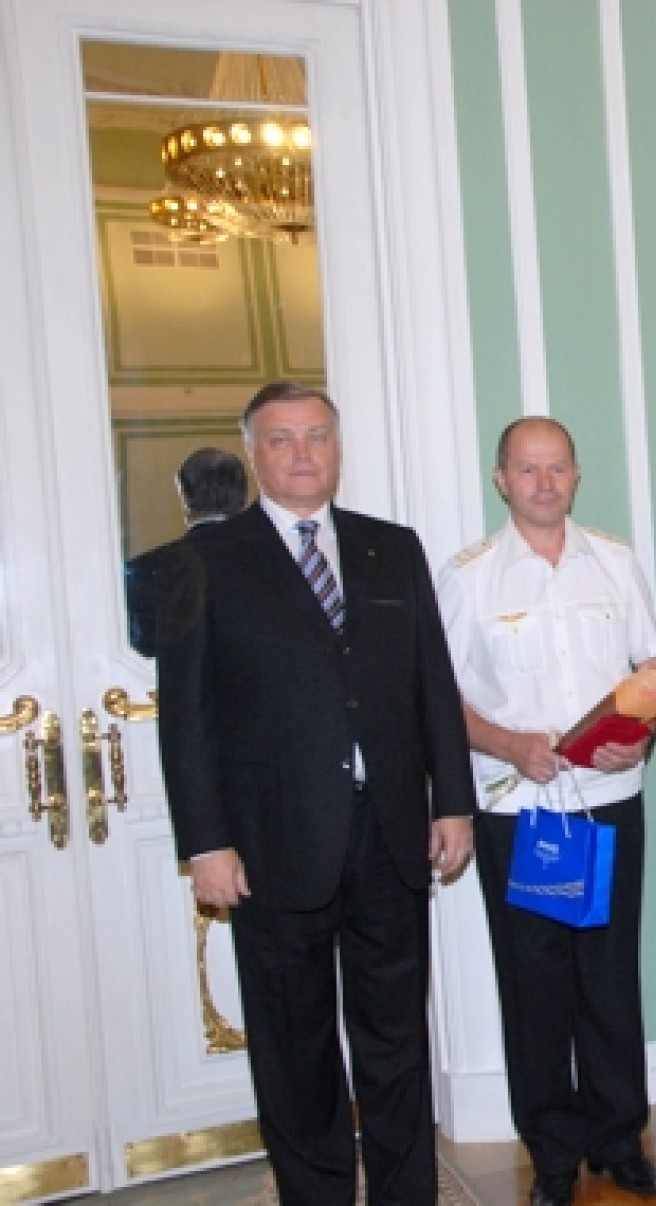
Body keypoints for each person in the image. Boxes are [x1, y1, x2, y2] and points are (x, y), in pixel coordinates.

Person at [156, 381, 476, 1204]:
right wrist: (205, 843)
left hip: (390, 836)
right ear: (253, 453)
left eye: (318, 436)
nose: (303, 454)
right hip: (271, 845)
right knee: (294, 1048)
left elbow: (431, 685)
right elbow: (186, 718)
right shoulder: (206, 560)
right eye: (282, 439)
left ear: (338, 446)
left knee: (395, 1039)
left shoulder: (390, 548)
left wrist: (452, 802)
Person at [436, 417, 656, 1205]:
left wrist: (640, 736)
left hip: (608, 803)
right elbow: (439, 699)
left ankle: (619, 1140)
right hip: (520, 812)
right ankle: (554, 1154)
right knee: (534, 988)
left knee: (610, 979)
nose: (544, 483)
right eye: (528, 469)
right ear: (501, 479)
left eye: (557, 468)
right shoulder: (469, 577)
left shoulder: (615, 560)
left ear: (576, 474)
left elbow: (654, 672)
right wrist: (507, 744)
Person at [123, 447, 249, 657]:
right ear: (243, 499)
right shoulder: (276, 566)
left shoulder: (140, 572)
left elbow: (141, 652)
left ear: (184, 497)